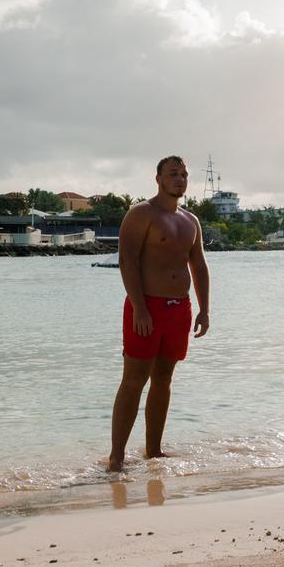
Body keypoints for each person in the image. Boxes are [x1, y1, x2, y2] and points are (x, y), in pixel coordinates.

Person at [107, 155, 210, 472]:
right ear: (159, 179)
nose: (180, 179)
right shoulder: (141, 214)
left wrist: (204, 309)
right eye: (173, 174)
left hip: (179, 309)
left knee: (164, 379)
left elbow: (199, 266)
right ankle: (117, 458)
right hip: (146, 308)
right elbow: (127, 262)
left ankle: (153, 451)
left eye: (184, 174)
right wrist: (138, 307)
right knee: (133, 380)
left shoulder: (190, 221)